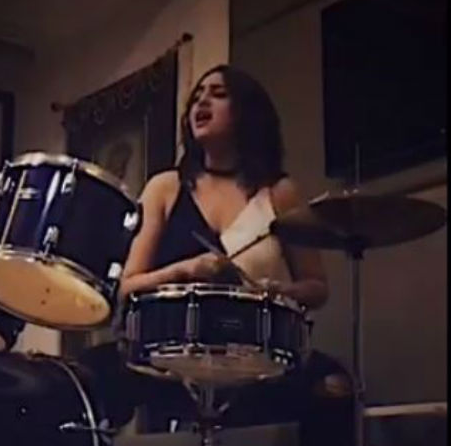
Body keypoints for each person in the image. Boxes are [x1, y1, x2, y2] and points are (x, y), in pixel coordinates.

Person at [80, 65, 353, 446]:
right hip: (169, 361)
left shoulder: (279, 193)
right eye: (197, 96)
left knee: (334, 384)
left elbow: (317, 287)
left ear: (247, 113)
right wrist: (184, 270)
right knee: (85, 378)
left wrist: (278, 290)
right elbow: (127, 286)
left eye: (218, 94)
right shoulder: (166, 187)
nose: (202, 102)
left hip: (254, 363)